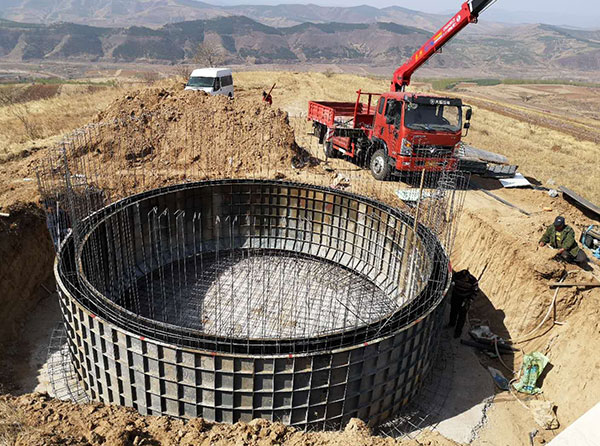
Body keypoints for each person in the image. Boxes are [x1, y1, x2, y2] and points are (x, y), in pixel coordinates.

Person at [448, 269, 479, 339]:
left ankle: (458, 331)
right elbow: (451, 282)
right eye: (463, 279)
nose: (464, 280)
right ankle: (451, 323)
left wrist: (469, 300)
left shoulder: (473, 281)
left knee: (462, 316)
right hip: (456, 295)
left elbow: (475, 292)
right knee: (453, 311)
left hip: (465, 298)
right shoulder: (456, 276)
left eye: (465, 279)